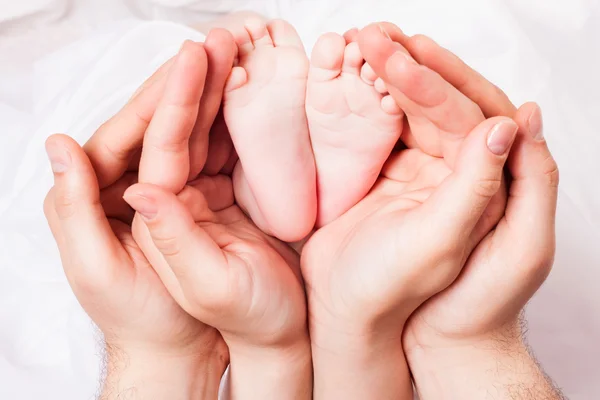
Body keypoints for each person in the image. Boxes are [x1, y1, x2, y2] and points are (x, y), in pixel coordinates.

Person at [43, 16, 564, 400]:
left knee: (178, 136)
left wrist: (166, 354)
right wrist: (466, 344)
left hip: (212, 212)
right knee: (350, 332)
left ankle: (273, 202)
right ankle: (295, 203)